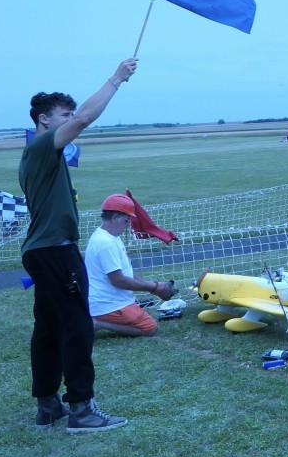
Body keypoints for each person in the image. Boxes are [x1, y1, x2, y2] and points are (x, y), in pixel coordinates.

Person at [19, 57, 137, 434]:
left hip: (41, 251)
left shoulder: (42, 154)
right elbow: (85, 118)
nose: (71, 119)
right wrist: (117, 78)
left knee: (48, 329)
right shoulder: (41, 147)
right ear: (44, 120)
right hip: (56, 251)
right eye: (63, 115)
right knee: (77, 327)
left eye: (69, 113)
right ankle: (82, 410)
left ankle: (48, 406)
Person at [85, 194, 175, 337]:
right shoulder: (105, 243)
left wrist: (154, 286)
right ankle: (98, 323)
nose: (128, 225)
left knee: (144, 320)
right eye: (127, 220)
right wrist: (154, 287)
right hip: (108, 305)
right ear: (114, 217)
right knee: (149, 327)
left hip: (111, 301)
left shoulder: (110, 237)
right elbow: (118, 280)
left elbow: (126, 273)